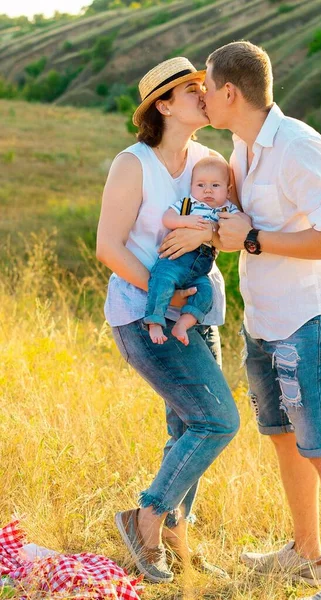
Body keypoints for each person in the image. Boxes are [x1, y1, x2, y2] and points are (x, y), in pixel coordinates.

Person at [199, 40, 321, 600]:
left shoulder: (299, 145)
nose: (202, 93)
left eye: (206, 84)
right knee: (283, 438)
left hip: (308, 317)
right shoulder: (241, 149)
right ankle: (305, 554)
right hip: (264, 318)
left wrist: (251, 236)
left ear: (230, 92)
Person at [96, 57, 240, 584]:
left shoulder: (209, 160)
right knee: (217, 421)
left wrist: (207, 236)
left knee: (185, 429)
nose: (205, 94)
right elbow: (108, 247)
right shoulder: (132, 164)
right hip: (145, 316)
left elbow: (232, 228)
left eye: (204, 86)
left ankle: (176, 543)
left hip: (201, 316)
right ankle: (146, 518)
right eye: (192, 89)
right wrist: (168, 295)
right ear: (163, 104)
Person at [144, 155, 247, 345]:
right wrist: (184, 221)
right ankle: (155, 320)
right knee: (161, 280)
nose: (207, 190)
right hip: (175, 259)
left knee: (206, 294)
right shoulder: (187, 204)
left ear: (228, 190)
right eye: (200, 185)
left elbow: (243, 224)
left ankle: (183, 323)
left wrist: (240, 221)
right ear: (191, 187)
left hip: (201, 268)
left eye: (215, 185)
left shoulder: (227, 209)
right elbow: (168, 218)